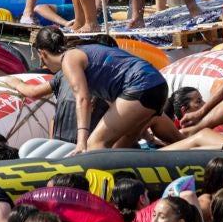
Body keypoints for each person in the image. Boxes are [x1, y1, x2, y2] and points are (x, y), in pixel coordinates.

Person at [17, 28, 167, 152]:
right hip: (157, 84)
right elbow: (117, 106)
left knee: (95, 145)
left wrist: (82, 142)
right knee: (119, 146)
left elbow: (82, 98)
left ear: (42, 54)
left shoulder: (69, 59)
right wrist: (146, 135)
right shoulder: (85, 53)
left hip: (141, 86)